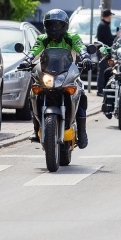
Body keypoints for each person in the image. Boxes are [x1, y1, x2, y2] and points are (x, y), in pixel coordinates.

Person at [29, 9, 92, 148]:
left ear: (64, 25)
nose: (54, 28)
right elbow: (34, 50)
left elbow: (80, 47)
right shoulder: (42, 39)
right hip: (47, 75)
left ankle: (82, 132)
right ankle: (35, 129)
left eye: (57, 25)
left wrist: (86, 57)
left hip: (68, 75)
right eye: (51, 25)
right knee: (33, 93)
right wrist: (27, 59)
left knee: (81, 95)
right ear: (45, 26)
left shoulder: (72, 37)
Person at [96, 9, 116, 96]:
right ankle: (100, 90)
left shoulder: (104, 25)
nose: (111, 17)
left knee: (104, 69)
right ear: (107, 16)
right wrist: (117, 36)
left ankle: (103, 88)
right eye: (110, 16)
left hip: (104, 50)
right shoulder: (103, 26)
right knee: (103, 70)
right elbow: (109, 39)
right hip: (103, 51)